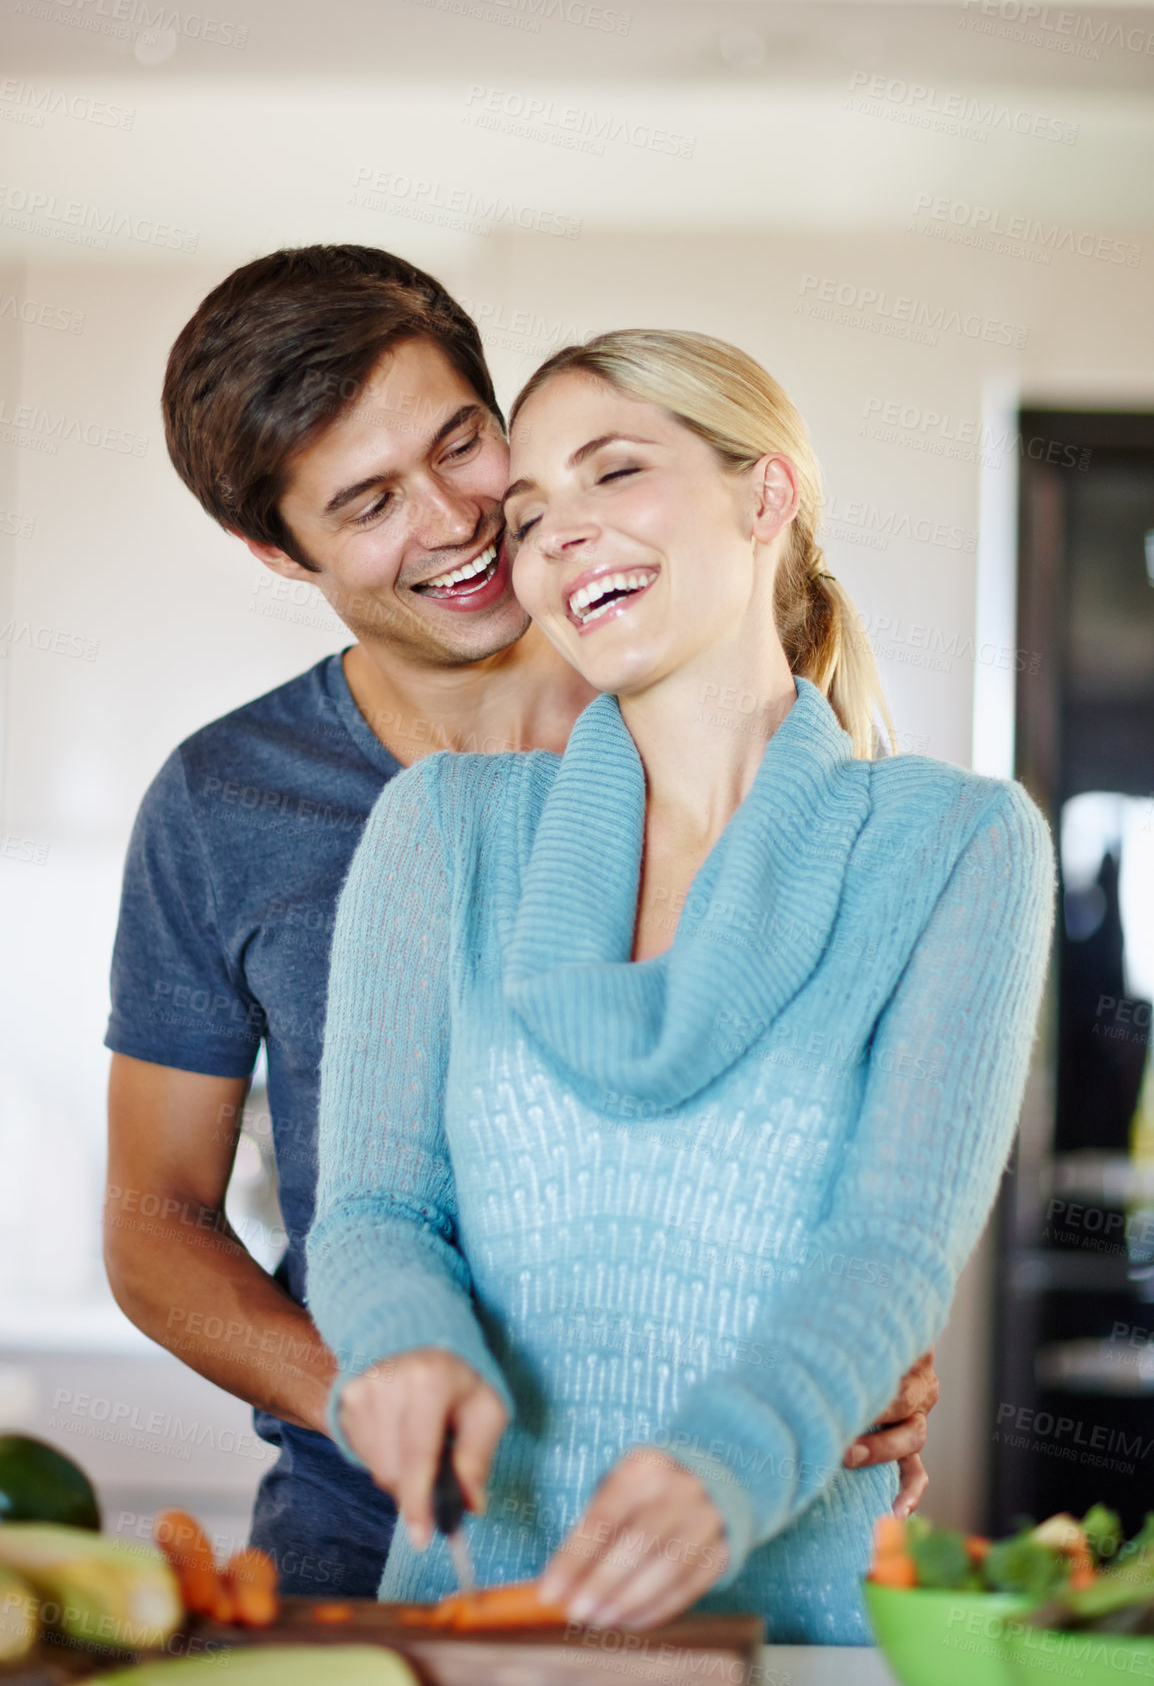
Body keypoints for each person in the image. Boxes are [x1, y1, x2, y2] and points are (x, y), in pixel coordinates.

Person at [103, 250, 937, 1601]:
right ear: (277, 549)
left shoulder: (756, 756)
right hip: (369, 1541)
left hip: (736, 1541)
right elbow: (154, 1217)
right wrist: (378, 1392)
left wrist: (875, 1342)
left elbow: (858, 1171)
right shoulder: (226, 805)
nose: (454, 521)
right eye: (367, 502)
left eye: (459, 445)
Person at [306, 329, 1056, 1642]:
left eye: (614, 474)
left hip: (786, 1638)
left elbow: (888, 1251)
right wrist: (401, 1342)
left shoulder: (960, 848)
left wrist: (729, 1461)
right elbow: (374, 1213)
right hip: (470, 1623)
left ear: (766, 495)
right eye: (529, 514)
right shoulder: (439, 831)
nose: (561, 537)